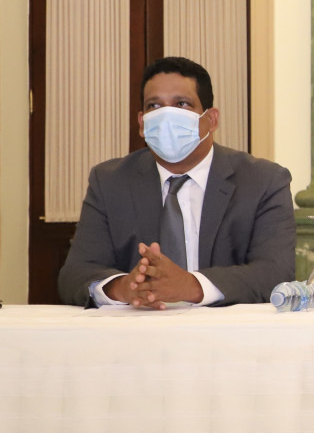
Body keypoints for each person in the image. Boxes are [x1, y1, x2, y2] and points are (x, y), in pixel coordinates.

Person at [58, 57, 296, 309]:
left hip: (226, 331)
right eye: (154, 106)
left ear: (211, 119)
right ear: (141, 124)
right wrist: (123, 288)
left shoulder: (263, 181)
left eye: (182, 104)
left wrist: (191, 286)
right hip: (138, 328)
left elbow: (276, 272)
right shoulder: (110, 181)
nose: (166, 116)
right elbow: (74, 275)